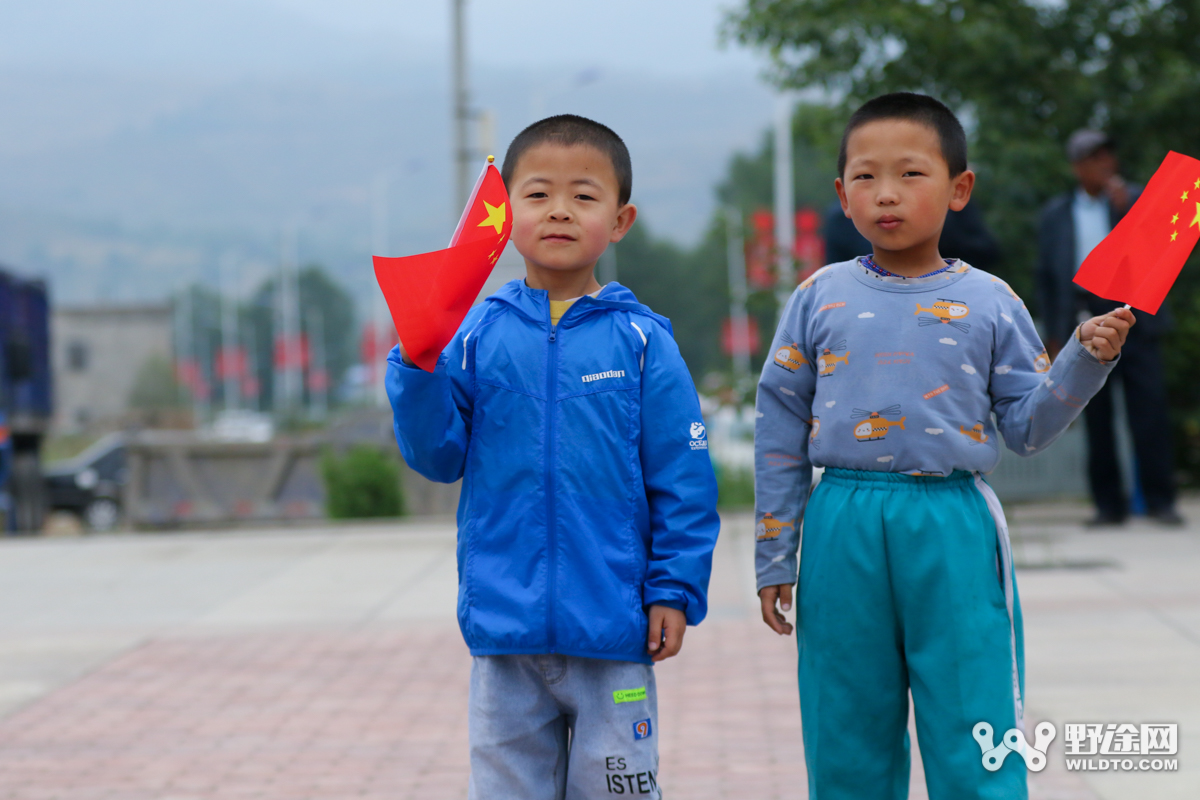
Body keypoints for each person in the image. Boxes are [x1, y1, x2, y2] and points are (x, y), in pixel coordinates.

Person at [754, 93, 1132, 799]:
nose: (886, 194)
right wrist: (775, 551)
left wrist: (1083, 360)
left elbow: (1027, 428)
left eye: (911, 175)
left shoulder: (993, 302)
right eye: (865, 177)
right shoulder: (816, 297)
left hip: (952, 524)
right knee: (846, 732)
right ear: (841, 194)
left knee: (974, 728)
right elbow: (778, 426)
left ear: (960, 188)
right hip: (841, 525)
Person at [387, 114, 719, 800]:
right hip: (504, 637)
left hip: (616, 632)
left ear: (620, 219)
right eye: (538, 194)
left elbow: (684, 479)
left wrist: (674, 591)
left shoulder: (643, 341)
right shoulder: (476, 333)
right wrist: (416, 366)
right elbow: (437, 455)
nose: (560, 211)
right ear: (504, 215)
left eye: (584, 196)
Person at [1036, 130, 1183, 526]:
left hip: (1136, 316)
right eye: (1094, 158)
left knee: (1149, 412)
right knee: (1096, 416)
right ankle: (1108, 506)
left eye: (1108, 157)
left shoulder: (1134, 201)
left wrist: (1129, 207)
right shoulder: (1056, 213)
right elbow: (1047, 276)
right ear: (1077, 166)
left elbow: (1163, 251)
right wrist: (1053, 333)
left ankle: (1160, 501)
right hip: (1086, 318)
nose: (1104, 165)